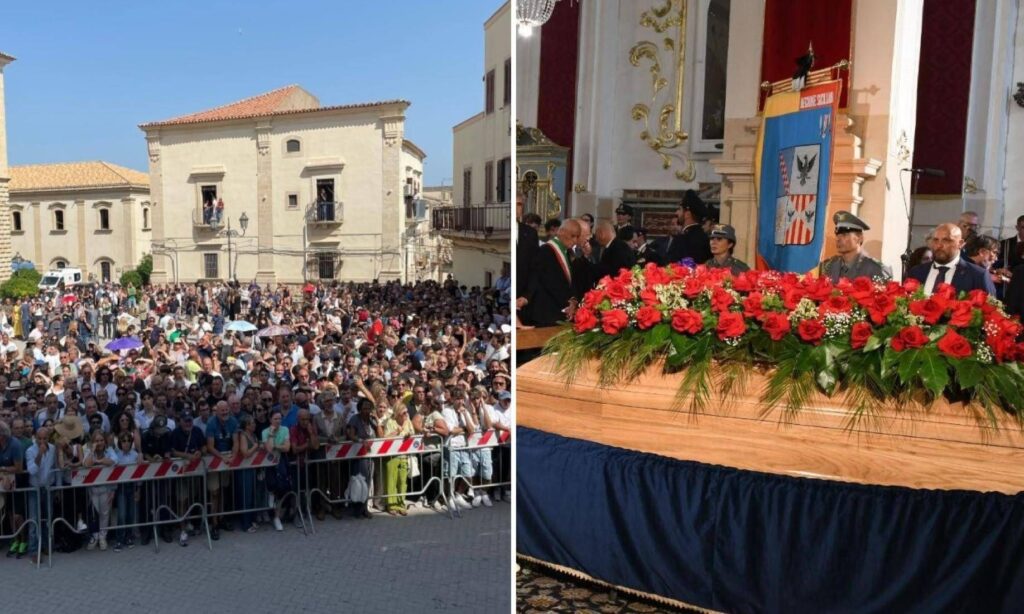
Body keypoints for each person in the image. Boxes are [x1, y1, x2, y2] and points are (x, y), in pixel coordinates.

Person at [519, 219, 581, 326]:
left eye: (577, 237)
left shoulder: (565, 252)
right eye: (572, 236)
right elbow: (551, 282)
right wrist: (569, 303)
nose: (575, 240)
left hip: (560, 312)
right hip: (546, 315)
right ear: (561, 232)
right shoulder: (546, 251)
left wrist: (573, 301)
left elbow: (569, 281)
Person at [908, 223, 996, 296]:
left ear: (960, 243)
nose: (939, 245)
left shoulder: (978, 275)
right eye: (935, 240)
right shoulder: (916, 272)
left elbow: (989, 311)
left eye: (946, 240)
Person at [818, 211, 891, 283]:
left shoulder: (876, 269)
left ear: (860, 238)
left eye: (844, 235)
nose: (838, 239)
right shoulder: (827, 266)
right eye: (837, 235)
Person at [171, 410, 205, 546]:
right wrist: (187, 457)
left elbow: (203, 446)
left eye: (190, 420)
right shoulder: (175, 433)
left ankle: (193, 523)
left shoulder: (197, 431)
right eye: (185, 421)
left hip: (195, 472)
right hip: (181, 473)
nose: (188, 423)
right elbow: (172, 450)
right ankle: (182, 528)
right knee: (182, 500)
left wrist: (200, 452)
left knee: (194, 498)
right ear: (180, 421)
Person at [205, 400, 237, 539]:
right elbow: (210, 446)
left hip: (227, 458)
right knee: (215, 492)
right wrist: (221, 458)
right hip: (214, 459)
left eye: (226, 410)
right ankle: (214, 523)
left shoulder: (233, 421)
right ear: (216, 411)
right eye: (222, 411)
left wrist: (233, 457)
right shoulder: (211, 423)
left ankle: (222, 518)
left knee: (224, 490)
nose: (225, 413)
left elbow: (235, 441)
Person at [345, 398, 382, 519]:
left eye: (369, 408)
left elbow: (381, 436)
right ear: (360, 409)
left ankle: (365, 508)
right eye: (364, 408)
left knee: (367, 481)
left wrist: (377, 421)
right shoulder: (355, 419)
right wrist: (361, 441)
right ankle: (357, 509)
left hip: (371, 456)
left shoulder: (371, 420)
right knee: (359, 482)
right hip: (359, 456)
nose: (367, 411)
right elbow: (351, 435)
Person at [82, 429, 116, 551]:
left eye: (101, 440)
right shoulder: (88, 450)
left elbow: (113, 461)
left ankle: (103, 537)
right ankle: (94, 536)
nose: (100, 443)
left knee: (105, 513)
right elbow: (87, 464)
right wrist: (92, 450)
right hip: (92, 489)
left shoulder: (109, 450)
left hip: (105, 488)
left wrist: (100, 461)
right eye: (97, 440)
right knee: (93, 514)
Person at [381, 404, 414, 516]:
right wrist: (397, 432)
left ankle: (401, 503)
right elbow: (385, 438)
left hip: (404, 455)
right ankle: (391, 504)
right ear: (397, 413)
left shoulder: (408, 422)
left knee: (402, 481)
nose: (406, 415)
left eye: (407, 412)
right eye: (404, 413)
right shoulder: (390, 422)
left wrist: (410, 435)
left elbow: (413, 434)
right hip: (392, 455)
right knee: (391, 480)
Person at [262, 409, 291, 531]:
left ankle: (277, 516)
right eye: (275, 419)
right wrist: (271, 435)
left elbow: (287, 447)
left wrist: (276, 446)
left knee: (282, 487)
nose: (278, 421)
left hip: (282, 461)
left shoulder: (285, 430)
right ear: (270, 420)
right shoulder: (265, 432)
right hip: (269, 463)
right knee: (272, 486)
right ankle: (269, 511)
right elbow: (268, 448)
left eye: (280, 418)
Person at [675, 190, 711, 264]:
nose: (676, 213)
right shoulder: (702, 236)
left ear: (687, 214)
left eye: (679, 209)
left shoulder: (686, 238)